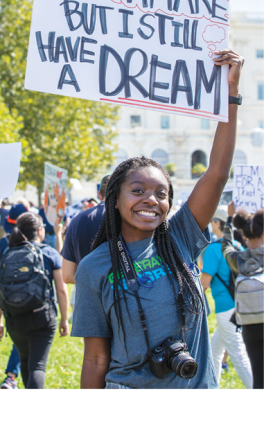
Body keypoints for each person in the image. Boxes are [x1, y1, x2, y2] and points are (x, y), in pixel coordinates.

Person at [72, 49, 244, 391]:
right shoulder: (94, 267)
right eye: (138, 190)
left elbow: (217, 173)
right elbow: (95, 358)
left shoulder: (180, 235)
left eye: (161, 193)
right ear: (115, 200)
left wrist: (231, 96)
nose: (151, 199)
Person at [0, 212, 69, 391]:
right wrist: (65, 319)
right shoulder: (49, 253)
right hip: (42, 316)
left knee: (25, 360)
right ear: (40, 231)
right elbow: (61, 289)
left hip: (13, 318)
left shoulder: (8, 252)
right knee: (37, 365)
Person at [200, 206, 252, 390]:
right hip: (240, 304)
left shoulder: (214, 249)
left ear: (217, 223)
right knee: (215, 351)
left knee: (238, 356)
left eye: (212, 221)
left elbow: (204, 283)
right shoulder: (237, 246)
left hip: (225, 308)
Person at [0, 203, 28, 391]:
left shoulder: (3, 242)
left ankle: (14, 376)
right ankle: (13, 376)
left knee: (20, 338)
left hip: (8, 298)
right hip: (31, 297)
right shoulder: (35, 241)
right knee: (24, 340)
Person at [222, 203, 264, 391]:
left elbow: (226, 246)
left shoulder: (239, 259)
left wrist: (230, 220)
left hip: (249, 324)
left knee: (259, 378)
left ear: (245, 236)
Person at [62, 175, 110, 285]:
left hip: (86, 296)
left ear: (99, 194)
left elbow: (67, 276)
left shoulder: (77, 220)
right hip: (122, 297)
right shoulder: (128, 218)